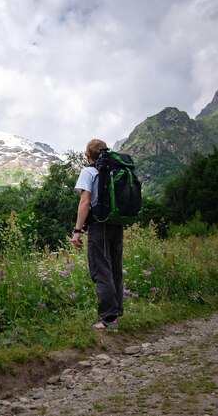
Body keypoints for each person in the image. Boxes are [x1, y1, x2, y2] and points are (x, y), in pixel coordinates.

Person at [70, 138, 123, 330]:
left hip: (99, 226)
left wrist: (77, 231)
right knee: (115, 269)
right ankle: (116, 314)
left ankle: (109, 320)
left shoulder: (88, 171)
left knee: (101, 270)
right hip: (117, 224)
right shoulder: (115, 170)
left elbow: (85, 202)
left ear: (87, 155)